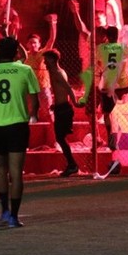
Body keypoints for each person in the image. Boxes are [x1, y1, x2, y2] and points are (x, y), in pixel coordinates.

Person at [0, 37, 39, 228]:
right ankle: (14, 216)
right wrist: (32, 115)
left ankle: (4, 211)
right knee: (16, 172)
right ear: (16, 53)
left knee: (1, 169)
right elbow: (35, 99)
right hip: (17, 126)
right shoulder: (25, 69)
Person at [54, 0, 123, 69]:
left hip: (100, 31)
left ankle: (107, 74)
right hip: (85, 29)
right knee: (85, 56)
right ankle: (89, 77)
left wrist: (117, 22)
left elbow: (114, 5)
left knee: (104, 54)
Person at [84, 26, 128, 152]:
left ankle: (111, 140)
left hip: (104, 83)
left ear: (105, 37)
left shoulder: (102, 48)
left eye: (98, 35)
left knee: (108, 112)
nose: (95, 37)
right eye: (95, 34)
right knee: (92, 112)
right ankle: (98, 139)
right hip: (100, 83)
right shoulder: (102, 46)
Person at [44, 48, 80, 177]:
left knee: (60, 138)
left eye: (46, 60)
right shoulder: (56, 72)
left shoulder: (57, 73)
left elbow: (69, 88)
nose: (44, 63)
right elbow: (62, 91)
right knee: (60, 138)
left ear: (52, 60)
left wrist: (75, 102)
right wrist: (56, 103)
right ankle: (71, 164)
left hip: (64, 109)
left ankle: (72, 165)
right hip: (61, 107)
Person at [23, 14, 58, 123]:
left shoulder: (42, 53)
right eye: (30, 42)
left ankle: (54, 131)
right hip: (30, 88)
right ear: (27, 44)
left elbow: (52, 39)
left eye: (35, 42)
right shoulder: (25, 55)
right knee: (30, 112)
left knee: (48, 110)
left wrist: (52, 23)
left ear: (39, 44)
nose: (33, 44)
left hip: (43, 87)